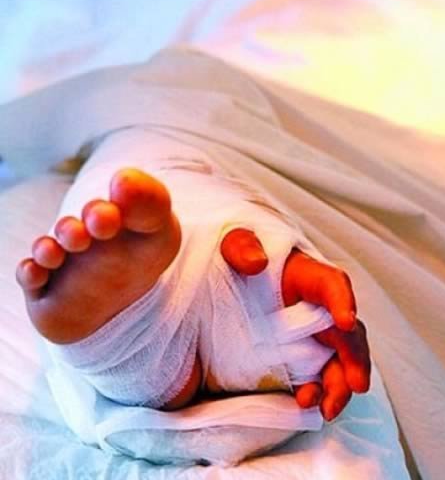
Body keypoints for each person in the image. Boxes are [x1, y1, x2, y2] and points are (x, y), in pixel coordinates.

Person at [16, 124, 370, 418]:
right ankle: (233, 301)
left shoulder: (87, 103)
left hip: (123, 125)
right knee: (156, 149)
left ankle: (134, 351)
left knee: (124, 150)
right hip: (192, 127)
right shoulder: (219, 94)